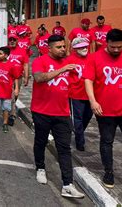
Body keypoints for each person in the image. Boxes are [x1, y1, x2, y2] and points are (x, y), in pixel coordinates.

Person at [31, 34, 84, 199]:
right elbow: (39, 78)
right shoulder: (40, 61)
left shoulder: (69, 62)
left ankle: (67, 184)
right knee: (41, 141)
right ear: (50, 48)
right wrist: (61, 69)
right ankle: (40, 167)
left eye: (64, 47)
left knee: (64, 148)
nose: (62, 50)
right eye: (59, 47)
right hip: (41, 111)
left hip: (62, 113)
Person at [84, 28, 122, 189]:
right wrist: (93, 101)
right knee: (107, 141)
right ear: (106, 43)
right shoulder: (94, 58)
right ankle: (108, 172)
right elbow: (88, 80)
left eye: (120, 47)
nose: (116, 50)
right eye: (113, 47)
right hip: (104, 110)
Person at [67, 37, 92, 152]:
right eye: (80, 47)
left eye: (85, 46)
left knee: (87, 116)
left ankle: (79, 131)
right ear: (75, 49)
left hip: (90, 94)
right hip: (76, 94)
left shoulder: (92, 58)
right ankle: (80, 142)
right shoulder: (69, 60)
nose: (84, 48)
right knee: (77, 118)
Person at [7, 33, 30, 126]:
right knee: (11, 95)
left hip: (18, 77)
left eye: (14, 39)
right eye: (10, 39)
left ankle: (9, 109)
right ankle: (12, 115)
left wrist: (26, 77)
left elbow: (25, 64)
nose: (12, 41)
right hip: (7, 77)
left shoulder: (23, 51)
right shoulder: (5, 50)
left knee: (15, 95)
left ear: (17, 41)